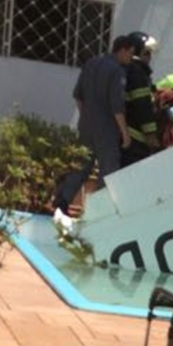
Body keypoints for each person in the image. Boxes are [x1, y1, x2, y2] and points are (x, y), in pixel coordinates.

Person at [53, 35, 135, 221]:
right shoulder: (117, 72)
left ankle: (62, 202)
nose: (131, 58)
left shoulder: (91, 63)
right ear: (121, 50)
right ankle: (96, 213)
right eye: (130, 53)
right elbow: (117, 107)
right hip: (106, 131)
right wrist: (125, 133)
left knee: (80, 167)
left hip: (86, 126)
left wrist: (86, 117)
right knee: (109, 172)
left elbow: (78, 96)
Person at [121, 31, 160, 167]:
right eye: (146, 53)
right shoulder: (137, 73)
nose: (149, 58)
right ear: (135, 52)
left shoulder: (128, 70)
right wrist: (151, 134)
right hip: (135, 138)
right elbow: (142, 106)